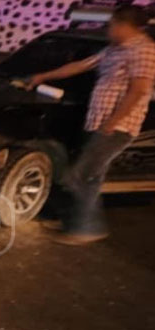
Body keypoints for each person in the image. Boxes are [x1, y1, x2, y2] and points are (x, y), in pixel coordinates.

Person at [26, 5, 155, 245]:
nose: (108, 29)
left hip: (117, 127)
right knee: (91, 177)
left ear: (126, 26)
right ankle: (76, 222)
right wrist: (43, 76)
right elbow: (81, 65)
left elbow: (139, 90)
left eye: (112, 24)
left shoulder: (144, 50)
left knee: (80, 176)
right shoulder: (114, 49)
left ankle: (87, 228)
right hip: (98, 122)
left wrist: (113, 121)